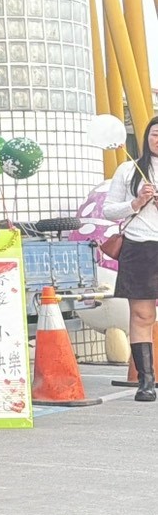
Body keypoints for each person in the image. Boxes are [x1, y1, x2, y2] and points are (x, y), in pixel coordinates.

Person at [101, 116, 158, 402]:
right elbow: (108, 210)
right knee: (142, 315)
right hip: (140, 247)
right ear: (146, 137)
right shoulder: (128, 169)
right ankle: (146, 381)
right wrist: (136, 203)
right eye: (155, 134)